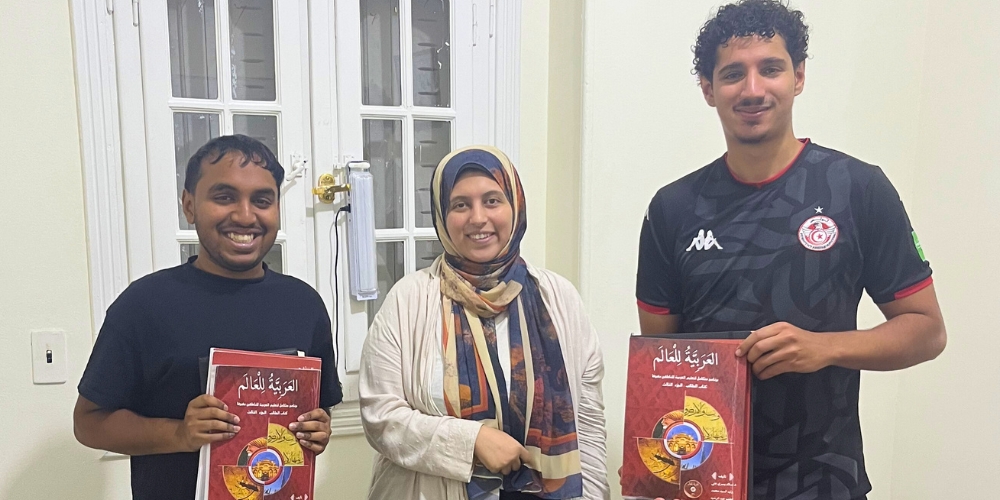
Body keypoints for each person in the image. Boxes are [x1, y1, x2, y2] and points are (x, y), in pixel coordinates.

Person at [634, 1, 947, 499]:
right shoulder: (672, 208)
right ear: (709, 90)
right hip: (703, 479)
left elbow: (927, 331)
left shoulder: (857, 188)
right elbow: (663, 363)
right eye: (733, 73)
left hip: (823, 479)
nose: (753, 89)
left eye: (771, 68)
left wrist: (824, 347)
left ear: (798, 77)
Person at [73, 135, 342, 500]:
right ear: (189, 206)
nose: (245, 215)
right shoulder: (144, 305)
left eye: (262, 200)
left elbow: (316, 411)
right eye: (224, 197)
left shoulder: (304, 305)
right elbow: (89, 423)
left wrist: (316, 428)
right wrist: (179, 434)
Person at [359, 146, 609, 500]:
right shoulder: (408, 301)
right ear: (442, 216)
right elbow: (380, 417)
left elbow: (586, 422)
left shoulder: (559, 298)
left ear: (515, 206)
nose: (478, 218)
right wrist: (471, 441)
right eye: (461, 205)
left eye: (492, 201)